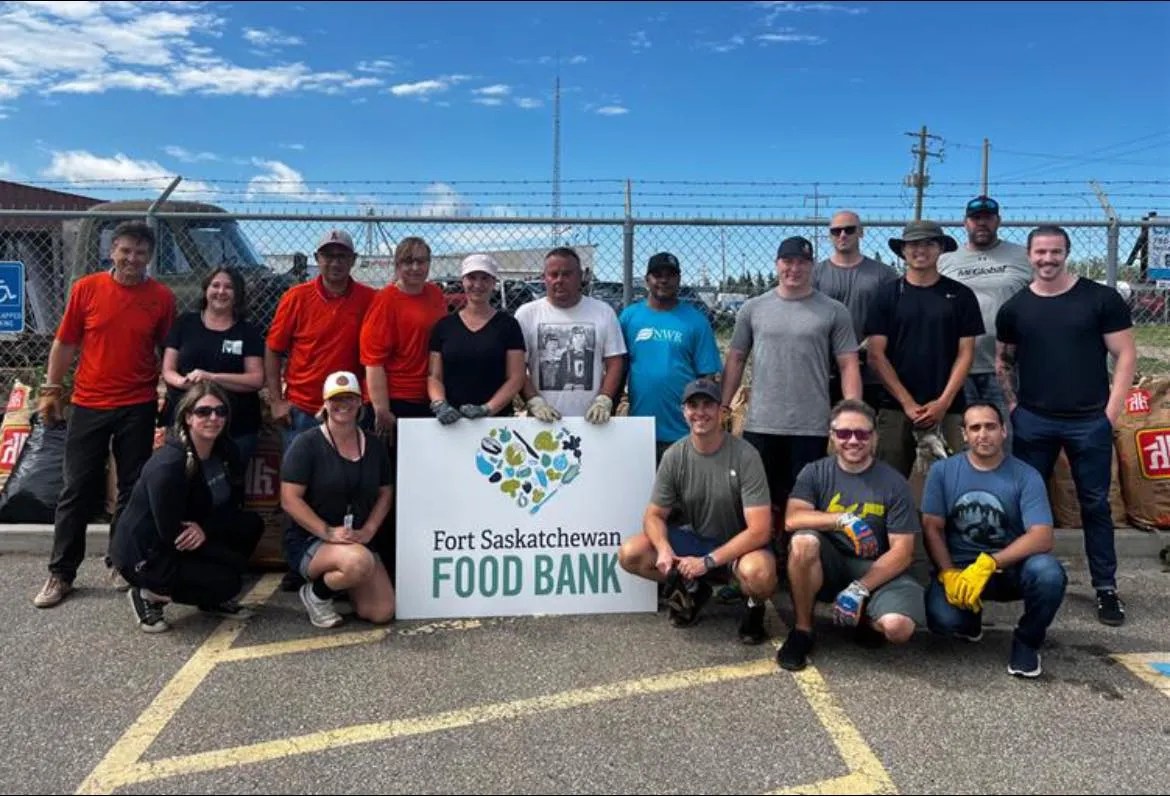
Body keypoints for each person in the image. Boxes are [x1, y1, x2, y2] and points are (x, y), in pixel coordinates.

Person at [995, 225, 1137, 626]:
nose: (1047, 260)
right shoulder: (1016, 308)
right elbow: (1004, 360)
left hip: (1088, 421)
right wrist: (1014, 407)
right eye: (1040, 252)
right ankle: (1020, 580)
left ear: (1067, 253)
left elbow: (1125, 355)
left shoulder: (1100, 299)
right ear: (1029, 255)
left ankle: (1105, 587)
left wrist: (1110, 414)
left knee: (1095, 505)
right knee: (1024, 505)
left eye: (1055, 252)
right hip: (1034, 421)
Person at [33, 220, 176, 609]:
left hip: (138, 403)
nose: (133, 259)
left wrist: (166, 388)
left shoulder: (161, 297)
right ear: (112, 250)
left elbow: (167, 349)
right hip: (89, 402)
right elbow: (65, 342)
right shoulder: (87, 289)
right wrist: (51, 387)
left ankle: (120, 560)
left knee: (131, 489)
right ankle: (61, 573)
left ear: (149, 258)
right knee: (77, 488)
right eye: (126, 251)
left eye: (141, 253)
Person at [618, 378, 776, 644]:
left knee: (759, 574)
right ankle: (694, 590)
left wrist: (708, 562)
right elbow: (654, 515)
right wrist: (664, 548)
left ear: (722, 412)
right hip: (699, 540)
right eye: (693, 405)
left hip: (741, 546)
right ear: (683, 411)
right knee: (631, 553)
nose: (700, 412)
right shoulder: (674, 456)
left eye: (708, 405)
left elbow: (760, 530)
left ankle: (753, 606)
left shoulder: (746, 455)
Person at [777, 399, 926, 671]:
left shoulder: (894, 482)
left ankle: (863, 617)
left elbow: (902, 553)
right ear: (832, 437)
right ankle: (802, 630)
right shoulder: (815, 472)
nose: (853, 440)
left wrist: (860, 589)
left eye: (862, 433)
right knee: (803, 541)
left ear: (874, 438)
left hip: (876, 569)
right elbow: (792, 518)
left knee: (898, 628)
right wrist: (842, 520)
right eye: (844, 433)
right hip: (831, 564)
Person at [265, 228, 375, 591]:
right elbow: (274, 349)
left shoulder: (368, 299)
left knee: (350, 489)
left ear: (353, 260)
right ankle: (298, 563)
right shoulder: (296, 297)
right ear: (318, 259)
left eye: (342, 255)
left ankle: (349, 555)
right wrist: (277, 398)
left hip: (349, 411)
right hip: (303, 409)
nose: (335, 262)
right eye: (328, 255)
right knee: (299, 491)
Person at [922, 403, 1067, 678]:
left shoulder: (1026, 475)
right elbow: (932, 528)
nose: (983, 434)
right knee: (944, 620)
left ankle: (1027, 642)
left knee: (1048, 574)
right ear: (964, 434)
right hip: (963, 572)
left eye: (990, 426)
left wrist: (991, 562)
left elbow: (1042, 536)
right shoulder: (942, 472)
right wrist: (948, 572)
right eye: (975, 428)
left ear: (1003, 431)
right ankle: (969, 620)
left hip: (1011, 569)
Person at [721, 236, 860, 514]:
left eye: (802, 262)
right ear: (777, 264)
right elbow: (736, 357)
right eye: (788, 261)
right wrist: (723, 405)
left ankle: (798, 554)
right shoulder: (753, 308)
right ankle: (761, 555)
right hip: (762, 424)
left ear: (812, 266)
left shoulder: (833, 311)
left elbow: (848, 364)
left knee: (804, 503)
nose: (794, 268)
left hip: (811, 426)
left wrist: (853, 412)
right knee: (759, 504)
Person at [110, 382, 263, 633]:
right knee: (230, 579)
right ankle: (149, 593)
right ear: (188, 417)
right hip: (149, 550)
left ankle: (209, 595)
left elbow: (233, 506)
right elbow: (169, 532)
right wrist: (222, 554)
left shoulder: (226, 451)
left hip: (191, 529)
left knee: (250, 525)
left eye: (220, 411)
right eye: (203, 412)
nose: (213, 418)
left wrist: (206, 529)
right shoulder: (169, 466)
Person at [865, 221, 984, 477]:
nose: (921, 250)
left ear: (941, 248)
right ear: (903, 251)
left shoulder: (960, 295)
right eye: (914, 244)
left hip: (949, 407)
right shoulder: (886, 296)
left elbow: (966, 353)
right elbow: (876, 355)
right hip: (895, 407)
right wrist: (907, 403)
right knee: (888, 482)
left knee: (954, 481)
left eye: (929, 243)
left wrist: (943, 402)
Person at [280, 371, 395, 629]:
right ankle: (317, 595)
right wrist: (328, 532)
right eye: (335, 399)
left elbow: (385, 492)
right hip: (312, 538)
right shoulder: (306, 444)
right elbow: (290, 499)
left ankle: (341, 584)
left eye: (349, 398)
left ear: (360, 402)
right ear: (325, 403)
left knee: (381, 611)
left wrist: (369, 529)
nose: (342, 405)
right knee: (358, 562)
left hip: (355, 538)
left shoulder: (374, 446)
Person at [938, 196, 1031, 431]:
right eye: (975, 218)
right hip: (958, 368)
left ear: (998, 221)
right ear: (965, 223)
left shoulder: (1023, 256)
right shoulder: (944, 261)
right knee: (964, 438)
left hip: (1008, 368)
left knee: (1006, 435)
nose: (981, 223)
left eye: (987, 218)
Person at [620, 252, 722, 463]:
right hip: (640, 429)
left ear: (679, 279)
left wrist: (703, 423)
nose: (664, 280)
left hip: (683, 431)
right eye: (657, 275)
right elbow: (618, 367)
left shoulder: (696, 321)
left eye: (670, 275)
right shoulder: (629, 317)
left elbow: (707, 378)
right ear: (647, 279)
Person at [161, 267, 265, 467]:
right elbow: (168, 370)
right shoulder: (184, 324)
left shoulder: (247, 332)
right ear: (205, 290)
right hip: (185, 420)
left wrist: (211, 378)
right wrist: (184, 383)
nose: (221, 291)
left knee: (227, 486)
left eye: (229, 287)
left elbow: (255, 379)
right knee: (180, 482)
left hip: (236, 427)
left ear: (237, 294)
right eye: (215, 285)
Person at [516, 247, 626, 424]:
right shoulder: (527, 314)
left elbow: (615, 362)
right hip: (542, 421)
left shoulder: (603, 312)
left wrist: (604, 399)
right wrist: (534, 401)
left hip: (591, 421)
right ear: (544, 277)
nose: (559, 280)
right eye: (553, 274)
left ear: (580, 276)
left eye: (567, 274)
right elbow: (517, 366)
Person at [361, 236, 448, 443]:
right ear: (397, 265)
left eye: (421, 261)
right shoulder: (385, 301)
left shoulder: (435, 294)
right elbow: (373, 362)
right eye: (408, 262)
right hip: (395, 398)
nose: (415, 267)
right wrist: (382, 410)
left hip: (429, 396)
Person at [813, 210, 898, 407]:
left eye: (849, 230)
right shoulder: (816, 274)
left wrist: (873, 340)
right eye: (836, 231)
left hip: (872, 370)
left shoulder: (884, 274)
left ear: (861, 232)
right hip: (825, 369)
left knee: (865, 430)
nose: (842, 235)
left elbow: (895, 316)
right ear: (830, 236)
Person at [427, 254, 527, 424]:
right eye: (471, 278)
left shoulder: (508, 325)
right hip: (451, 422)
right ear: (463, 281)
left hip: (495, 421)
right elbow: (434, 376)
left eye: (485, 279)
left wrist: (487, 409)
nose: (478, 285)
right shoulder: (444, 326)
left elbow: (516, 377)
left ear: (493, 283)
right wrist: (440, 403)